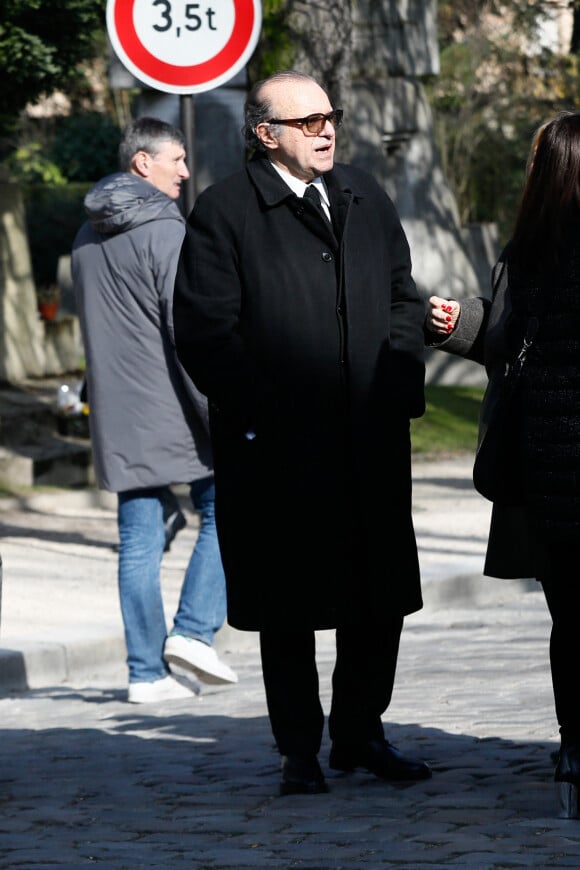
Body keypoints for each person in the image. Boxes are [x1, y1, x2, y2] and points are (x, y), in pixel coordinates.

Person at [173, 70, 431, 795]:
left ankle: (360, 734)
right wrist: (264, 414)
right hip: (280, 453)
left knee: (376, 600)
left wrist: (398, 383)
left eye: (330, 116)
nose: (326, 130)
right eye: (307, 119)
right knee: (289, 606)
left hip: (369, 438)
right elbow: (204, 331)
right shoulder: (225, 212)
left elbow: (400, 296)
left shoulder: (363, 195)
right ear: (265, 133)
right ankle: (298, 750)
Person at [425, 110, 580, 819]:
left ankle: (575, 752)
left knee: (572, 620)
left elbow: (518, 347)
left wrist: (463, 326)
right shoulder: (531, 260)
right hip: (557, 463)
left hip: (549, 475)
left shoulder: (531, 257)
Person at [71, 116, 238, 704]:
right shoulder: (166, 231)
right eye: (177, 160)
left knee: (138, 541)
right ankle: (193, 632)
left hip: (118, 411)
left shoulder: (85, 236)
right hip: (174, 406)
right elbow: (185, 329)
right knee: (231, 507)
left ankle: (145, 673)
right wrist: (220, 405)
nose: (186, 172)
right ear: (143, 163)